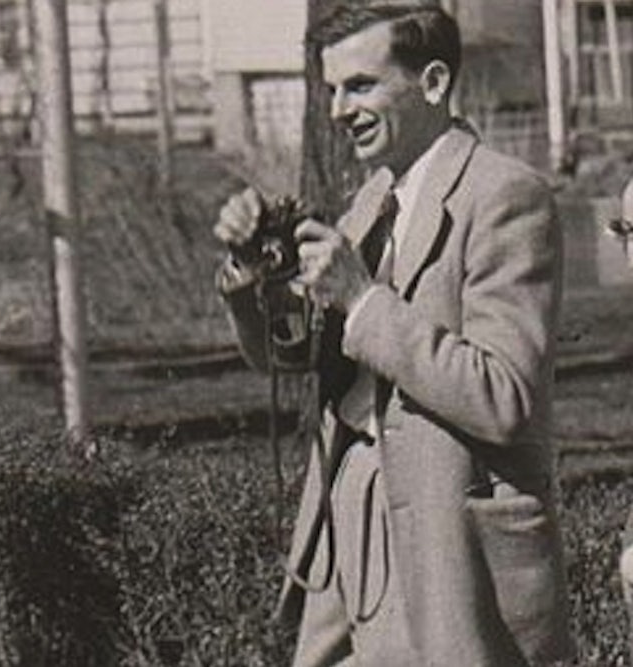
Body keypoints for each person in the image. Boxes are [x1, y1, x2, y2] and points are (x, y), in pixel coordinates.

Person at [214, 4, 574, 666]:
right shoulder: (372, 199)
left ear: (433, 82)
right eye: (332, 90)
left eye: (360, 86)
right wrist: (251, 273)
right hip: (348, 521)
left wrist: (361, 298)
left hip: (449, 542)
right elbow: (298, 357)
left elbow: (505, 396)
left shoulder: (505, 196)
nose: (338, 110)